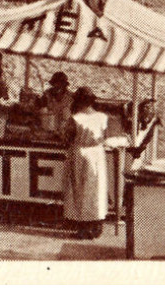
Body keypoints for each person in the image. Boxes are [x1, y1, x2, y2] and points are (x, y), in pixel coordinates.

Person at [64, 87, 109, 239]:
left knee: (80, 190)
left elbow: (68, 137)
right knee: (97, 189)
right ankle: (97, 225)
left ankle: (83, 228)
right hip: (97, 154)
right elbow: (104, 136)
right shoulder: (102, 117)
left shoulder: (76, 118)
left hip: (81, 153)